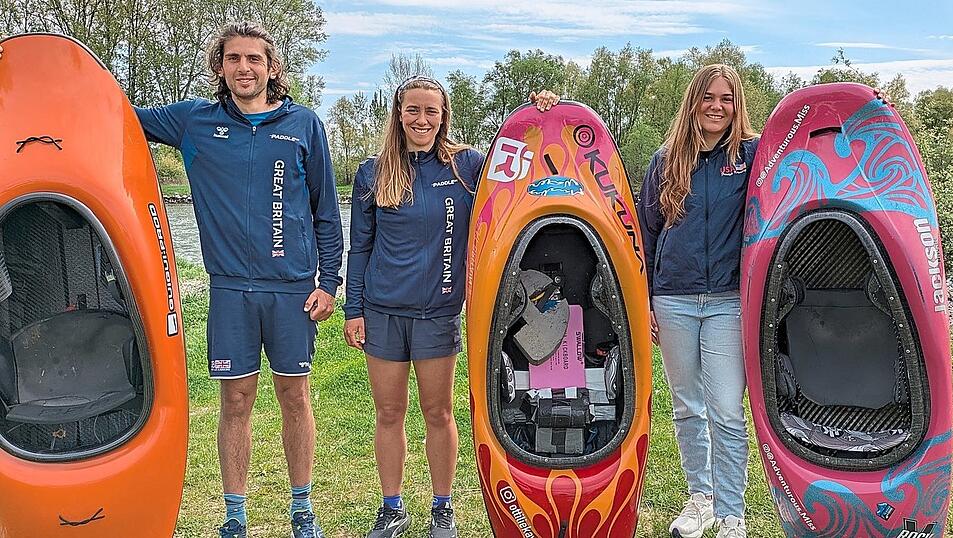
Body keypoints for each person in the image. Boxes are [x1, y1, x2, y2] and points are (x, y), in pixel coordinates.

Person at [0, 23, 342, 538]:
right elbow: (109, 115)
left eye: (255, 59)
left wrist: (329, 282)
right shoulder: (193, 121)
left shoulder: (303, 125)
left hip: (292, 288)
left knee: (295, 397)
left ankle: (301, 508)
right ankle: (234, 516)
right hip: (229, 289)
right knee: (236, 401)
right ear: (220, 68)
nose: (244, 69)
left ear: (273, 67)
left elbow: (325, 211)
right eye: (233, 59)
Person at [343, 79, 557, 538]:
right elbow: (359, 247)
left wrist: (539, 115)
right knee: (388, 413)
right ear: (398, 113)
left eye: (432, 112)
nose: (422, 120)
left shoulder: (466, 166)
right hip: (383, 312)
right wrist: (353, 308)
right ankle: (391, 507)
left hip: (438, 313)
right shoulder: (373, 171)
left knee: (438, 412)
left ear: (445, 116)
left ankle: (443, 508)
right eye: (413, 110)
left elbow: (522, 165)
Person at [637, 64, 759, 538]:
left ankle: (731, 513)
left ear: (737, 105)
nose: (716, 106)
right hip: (674, 299)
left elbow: (811, 138)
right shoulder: (665, 160)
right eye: (708, 96)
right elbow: (645, 234)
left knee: (727, 409)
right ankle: (701, 499)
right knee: (688, 406)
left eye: (726, 98)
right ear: (694, 100)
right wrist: (646, 298)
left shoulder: (752, 155)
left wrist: (864, 106)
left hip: (729, 300)